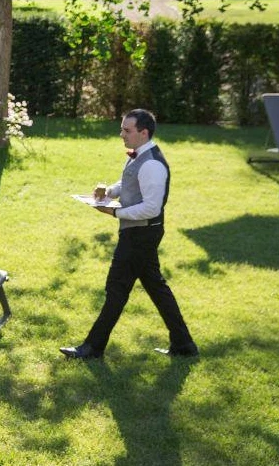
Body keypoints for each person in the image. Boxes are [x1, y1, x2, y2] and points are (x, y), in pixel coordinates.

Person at [61, 109, 199, 359]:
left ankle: (93, 347)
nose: (121, 134)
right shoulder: (140, 157)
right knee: (156, 288)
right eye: (122, 129)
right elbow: (129, 183)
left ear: (143, 133)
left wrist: (114, 213)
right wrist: (110, 192)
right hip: (139, 233)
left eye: (127, 130)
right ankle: (184, 344)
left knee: (116, 289)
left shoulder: (153, 165)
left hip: (141, 236)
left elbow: (151, 208)